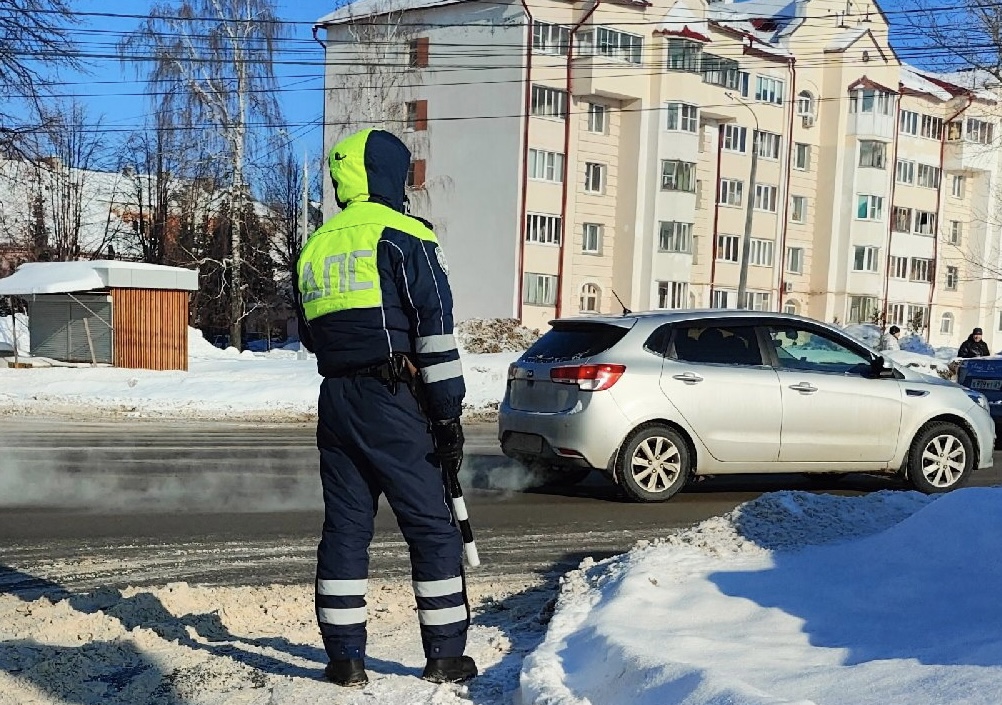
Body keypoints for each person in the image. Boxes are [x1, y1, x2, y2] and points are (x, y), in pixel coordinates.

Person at [294, 128, 477, 688]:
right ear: (389, 176)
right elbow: (435, 332)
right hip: (396, 397)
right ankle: (445, 654)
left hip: (336, 399)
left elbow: (308, 333)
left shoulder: (317, 244)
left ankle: (345, 659)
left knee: (346, 531)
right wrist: (446, 416)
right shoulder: (405, 235)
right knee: (431, 526)